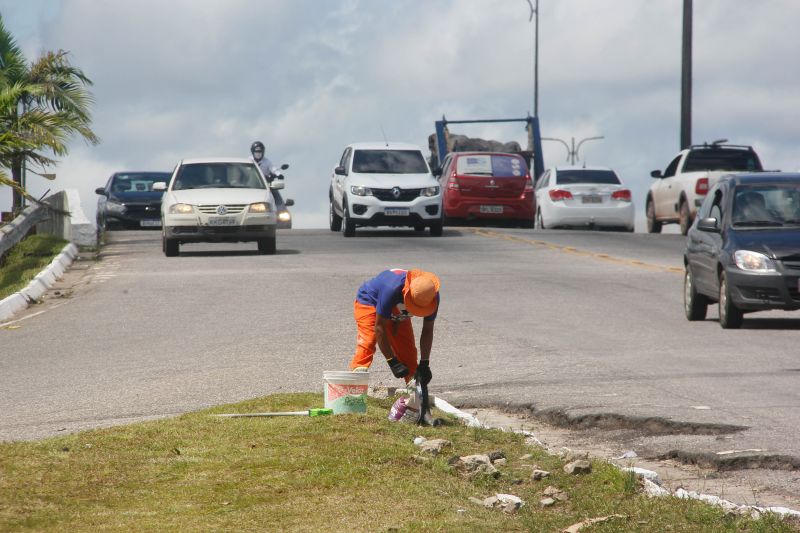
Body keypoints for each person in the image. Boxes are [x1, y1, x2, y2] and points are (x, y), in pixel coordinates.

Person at [349, 269, 439, 389]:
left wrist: (424, 363)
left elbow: (428, 329)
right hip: (370, 301)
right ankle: (356, 385)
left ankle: (414, 389)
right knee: (368, 341)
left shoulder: (430, 295)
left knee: (408, 352)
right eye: (414, 307)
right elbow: (380, 328)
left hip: (396, 306)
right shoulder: (391, 289)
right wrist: (392, 361)